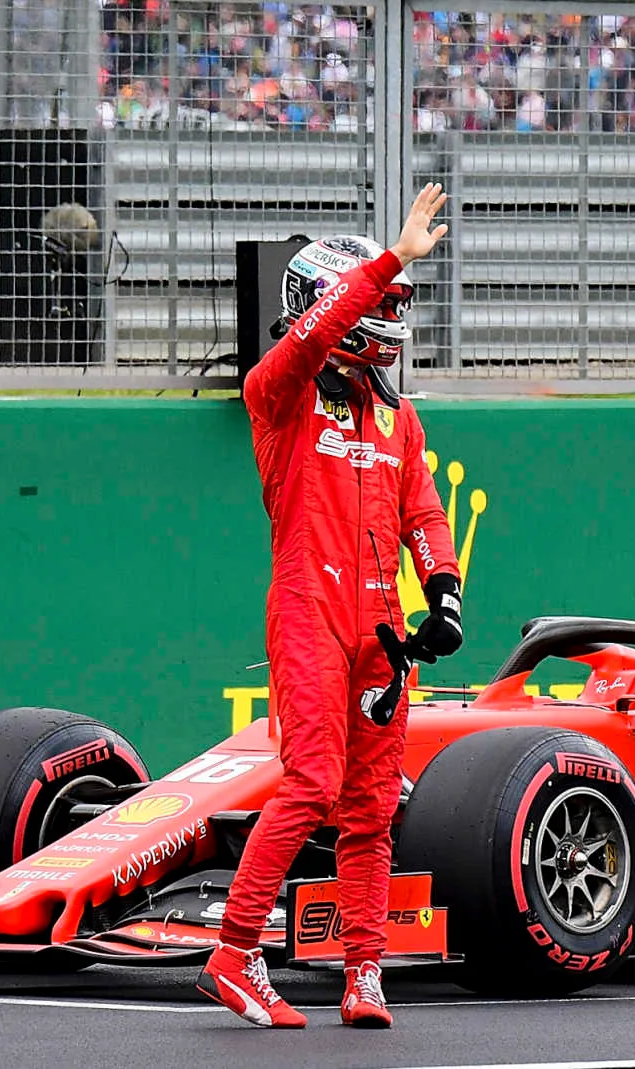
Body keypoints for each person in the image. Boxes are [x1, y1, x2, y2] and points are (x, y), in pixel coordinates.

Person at [196, 184, 463, 1031]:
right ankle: (235, 955)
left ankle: (364, 972)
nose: (387, 319)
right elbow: (312, 337)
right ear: (328, 303)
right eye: (378, 304)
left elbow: (423, 510)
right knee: (310, 781)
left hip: (382, 630)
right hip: (310, 610)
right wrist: (393, 256)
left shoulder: (397, 416)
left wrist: (447, 592)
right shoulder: (278, 392)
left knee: (373, 804)